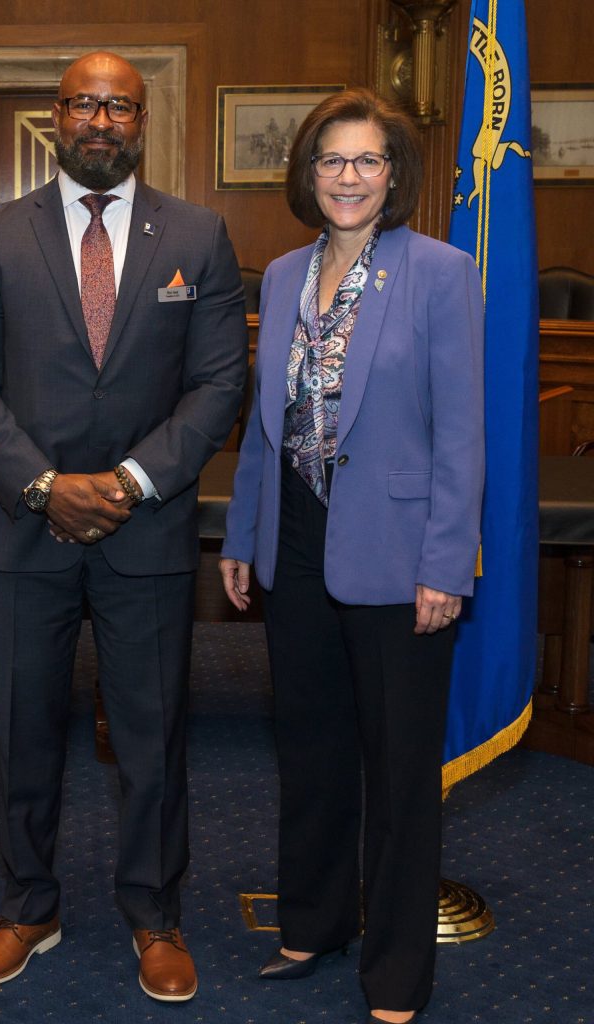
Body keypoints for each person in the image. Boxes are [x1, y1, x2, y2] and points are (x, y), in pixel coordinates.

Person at [0, 51, 248, 1002]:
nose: (101, 119)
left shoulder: (198, 234)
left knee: (154, 734)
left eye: (120, 104)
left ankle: (155, 915)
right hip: (25, 530)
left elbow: (218, 384)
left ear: (142, 121)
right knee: (24, 730)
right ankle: (27, 907)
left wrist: (127, 480)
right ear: (57, 117)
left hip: (147, 529)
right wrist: (43, 485)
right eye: (84, 103)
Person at [219, 88, 484, 1024]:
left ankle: (399, 972)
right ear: (308, 171)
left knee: (400, 772)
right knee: (313, 750)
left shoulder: (441, 272)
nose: (349, 177)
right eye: (332, 160)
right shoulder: (285, 273)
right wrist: (246, 533)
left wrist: (447, 564)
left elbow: (463, 435)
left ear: (394, 174)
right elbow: (268, 421)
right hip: (294, 538)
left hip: (401, 548)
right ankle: (313, 923)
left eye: (368, 160)